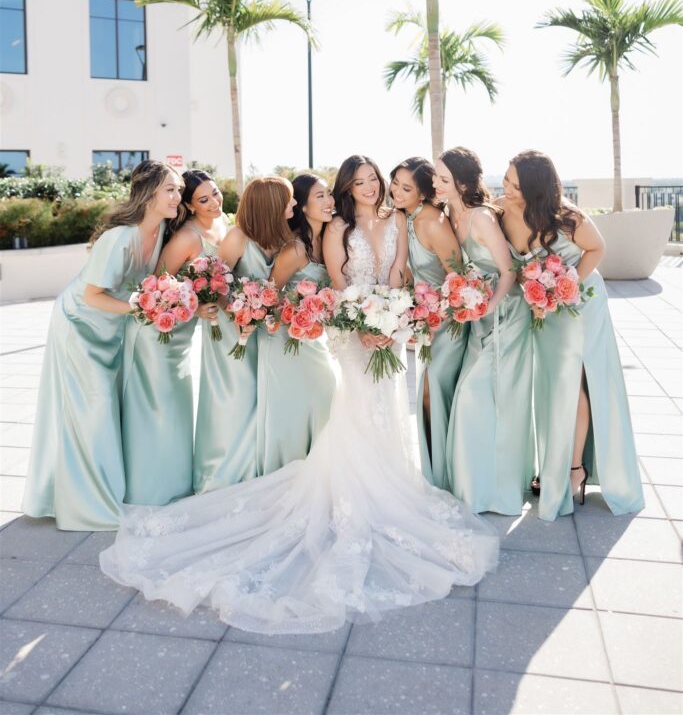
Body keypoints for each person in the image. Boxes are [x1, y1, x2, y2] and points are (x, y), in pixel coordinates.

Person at [100, 154, 498, 635]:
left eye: (376, 179)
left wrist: (396, 317)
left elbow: (403, 271)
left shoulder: (401, 218)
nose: (371, 187)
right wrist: (362, 322)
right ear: (348, 188)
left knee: (390, 407)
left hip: (392, 323)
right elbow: (338, 285)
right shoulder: (335, 230)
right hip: (355, 329)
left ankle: (393, 477)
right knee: (353, 406)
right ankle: (354, 492)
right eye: (361, 182)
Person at [23, 160, 182, 530]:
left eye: (177, 190)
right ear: (148, 195)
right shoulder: (120, 238)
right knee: (92, 412)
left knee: (104, 412)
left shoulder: (158, 232)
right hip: (79, 325)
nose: (178, 196)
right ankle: (86, 507)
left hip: (111, 328)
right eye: (170, 190)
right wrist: (142, 308)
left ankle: (102, 492)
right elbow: (93, 295)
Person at [500, 149, 644, 520]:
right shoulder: (501, 212)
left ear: (536, 188)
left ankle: (573, 468)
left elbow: (597, 249)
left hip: (580, 304)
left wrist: (562, 287)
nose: (509, 188)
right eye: (506, 179)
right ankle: (554, 463)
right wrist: (535, 292)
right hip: (542, 310)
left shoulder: (567, 216)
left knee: (575, 381)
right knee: (551, 384)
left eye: (517, 184)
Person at [434, 147, 533, 515]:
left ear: (462, 183)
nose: (436, 184)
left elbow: (509, 271)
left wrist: (488, 307)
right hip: (476, 314)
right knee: (474, 396)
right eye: (435, 177)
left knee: (488, 397)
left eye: (443, 179)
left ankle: (497, 489)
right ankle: (474, 486)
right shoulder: (447, 216)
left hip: (506, 312)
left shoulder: (481, 219)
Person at [120, 169, 228, 506]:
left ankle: (176, 482)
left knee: (178, 407)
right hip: (161, 332)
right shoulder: (187, 237)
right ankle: (151, 489)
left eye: (215, 192)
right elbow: (156, 285)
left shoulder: (223, 223)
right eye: (203, 199)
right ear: (190, 205)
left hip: (183, 332)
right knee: (160, 407)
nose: (214, 202)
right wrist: (195, 309)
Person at [193, 176, 294, 493]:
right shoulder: (238, 238)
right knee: (234, 397)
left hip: (262, 329)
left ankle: (256, 468)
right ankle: (223, 474)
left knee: (260, 395)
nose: (294, 205)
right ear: (271, 205)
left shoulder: (284, 235)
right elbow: (215, 283)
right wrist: (235, 312)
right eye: (288, 200)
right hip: (230, 330)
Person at [389, 156, 466, 489]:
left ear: (423, 193)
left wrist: (438, 317)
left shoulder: (432, 222)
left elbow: (459, 277)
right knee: (427, 393)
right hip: (427, 320)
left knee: (431, 393)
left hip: (448, 322)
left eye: (406, 188)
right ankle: (436, 475)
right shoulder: (404, 217)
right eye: (395, 183)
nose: (396, 191)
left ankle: (443, 477)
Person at [256, 174, 336, 474]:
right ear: (302, 207)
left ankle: (317, 470)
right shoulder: (295, 249)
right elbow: (269, 296)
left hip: (315, 337)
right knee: (296, 405)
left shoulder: (327, 241)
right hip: (286, 341)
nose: (329, 201)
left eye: (329, 194)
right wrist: (296, 311)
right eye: (320, 196)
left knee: (323, 398)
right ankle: (287, 471)